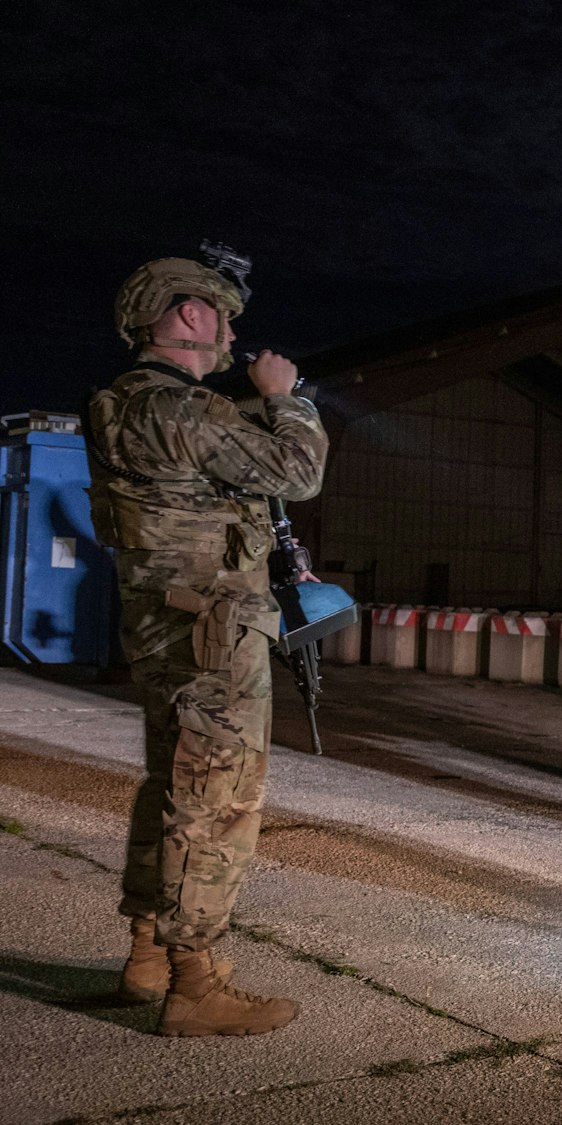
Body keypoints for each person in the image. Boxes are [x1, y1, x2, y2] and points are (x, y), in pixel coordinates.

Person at [86, 250, 329, 1036]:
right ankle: (195, 982)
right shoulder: (188, 410)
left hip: (161, 621)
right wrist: (285, 400)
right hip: (215, 629)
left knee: (171, 783)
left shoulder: (122, 404)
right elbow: (297, 471)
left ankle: (147, 957)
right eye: (223, 315)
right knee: (217, 800)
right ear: (190, 315)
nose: (232, 333)